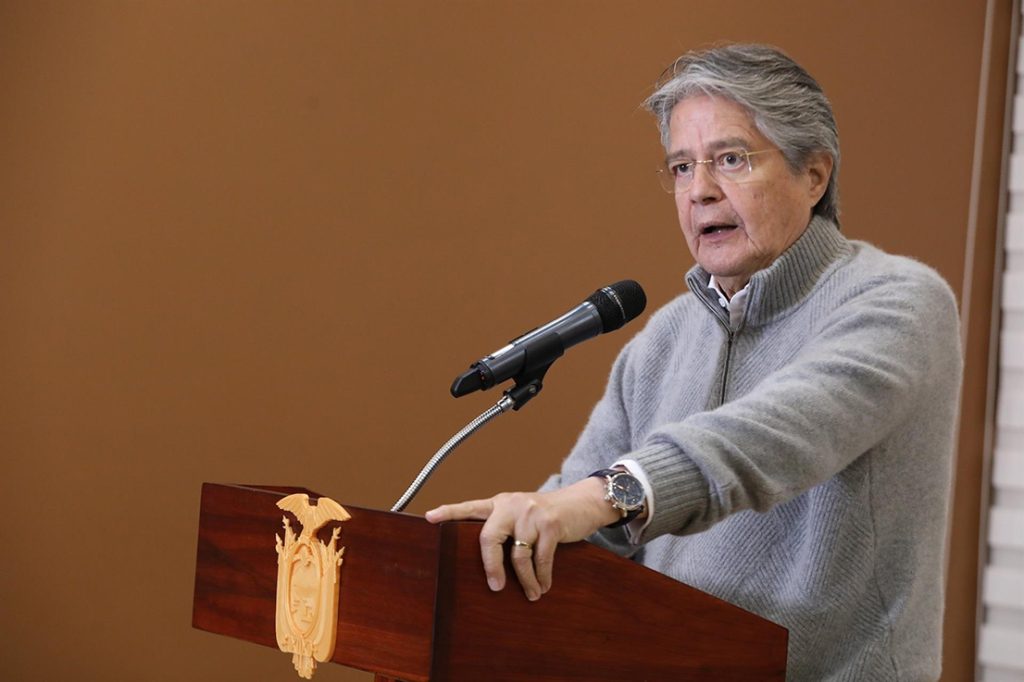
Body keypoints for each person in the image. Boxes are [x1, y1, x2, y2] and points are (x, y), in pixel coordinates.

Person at [426, 43, 962, 680]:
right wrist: (502, 543)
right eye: (682, 167)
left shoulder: (899, 303)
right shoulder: (663, 340)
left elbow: (771, 438)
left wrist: (609, 494)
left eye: (731, 159)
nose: (700, 191)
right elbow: (578, 521)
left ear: (814, 175)